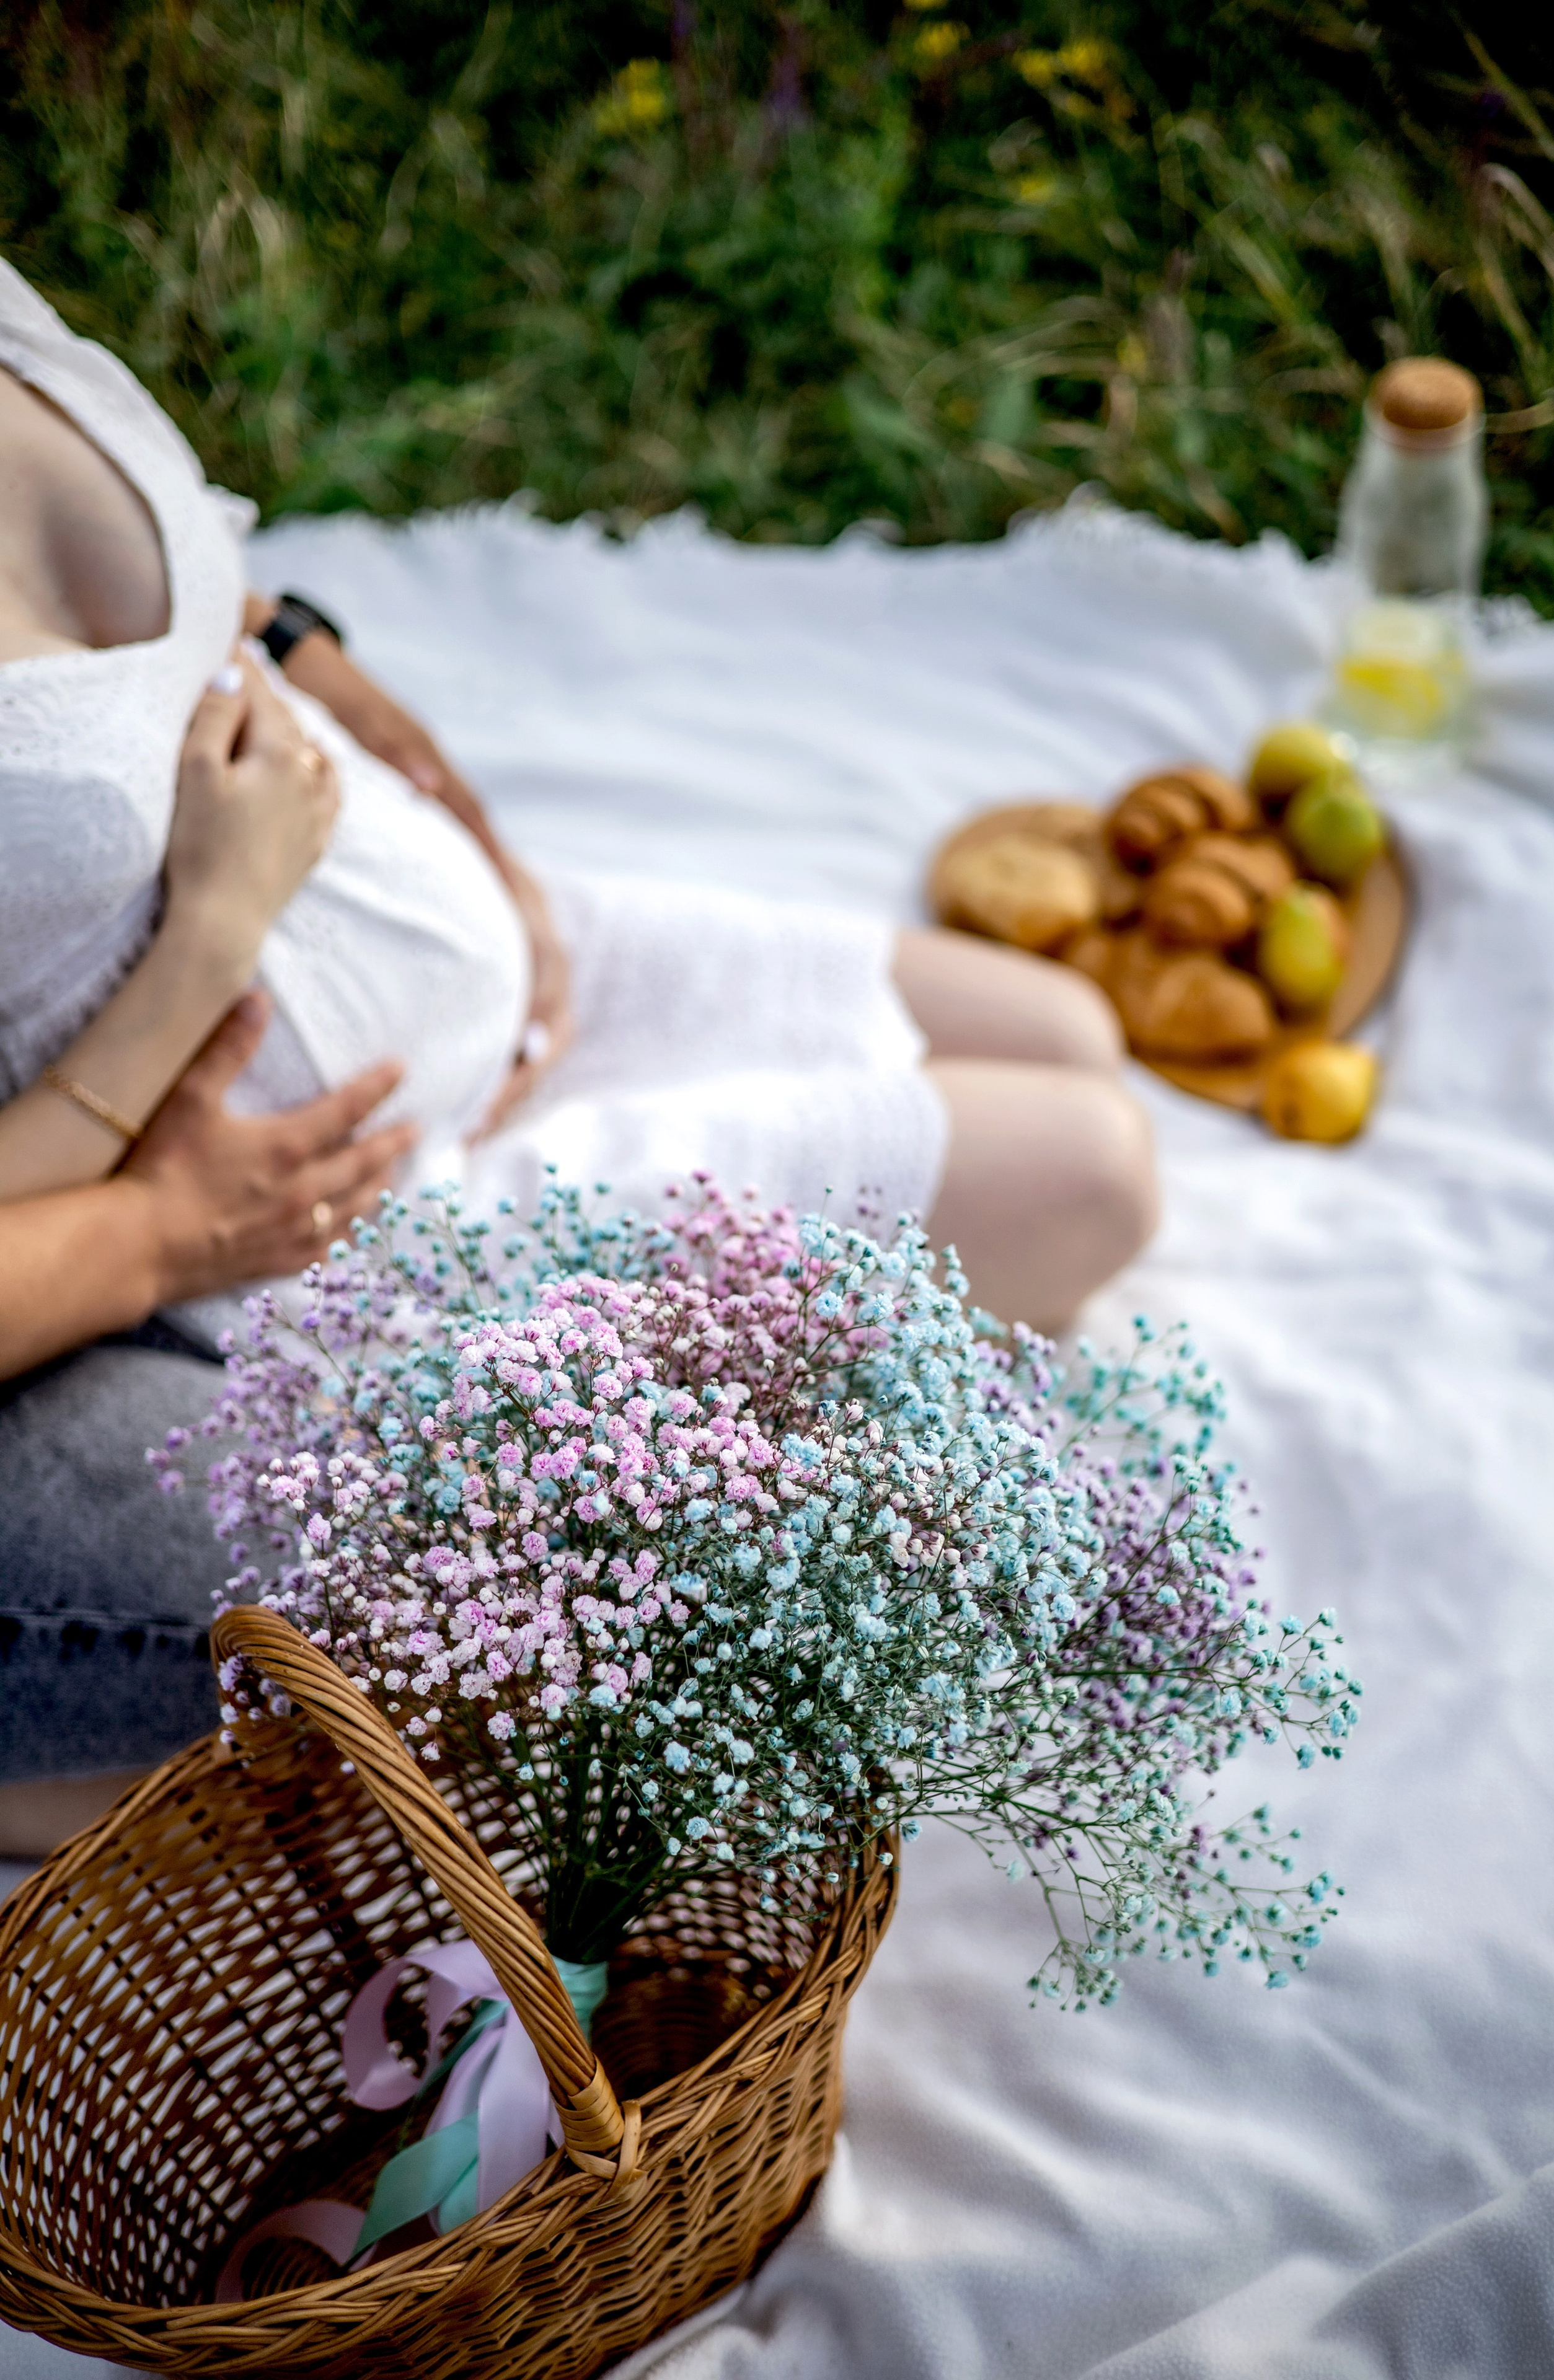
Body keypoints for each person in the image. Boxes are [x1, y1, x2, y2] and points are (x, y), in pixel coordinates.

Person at [0, 253, 1157, 1856]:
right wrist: (203, 950)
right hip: (315, 1201)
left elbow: (218, 594)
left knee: (1071, 1027)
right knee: (1091, 1181)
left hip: (486, 935)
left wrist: (330, 671)